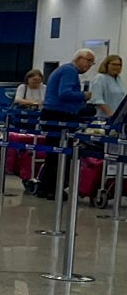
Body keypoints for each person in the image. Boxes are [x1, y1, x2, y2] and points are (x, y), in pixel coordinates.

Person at [35, 48, 97, 200]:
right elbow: (65, 93)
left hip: (52, 114)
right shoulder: (70, 71)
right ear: (80, 58)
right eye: (89, 61)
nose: (89, 65)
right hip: (60, 116)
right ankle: (54, 188)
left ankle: (45, 187)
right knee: (61, 154)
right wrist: (84, 95)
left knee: (53, 155)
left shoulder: (62, 70)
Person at [90, 54, 125, 120]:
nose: (117, 67)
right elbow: (97, 99)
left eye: (119, 65)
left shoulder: (118, 79)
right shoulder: (100, 78)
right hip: (105, 118)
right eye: (114, 64)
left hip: (119, 118)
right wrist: (111, 115)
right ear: (106, 65)